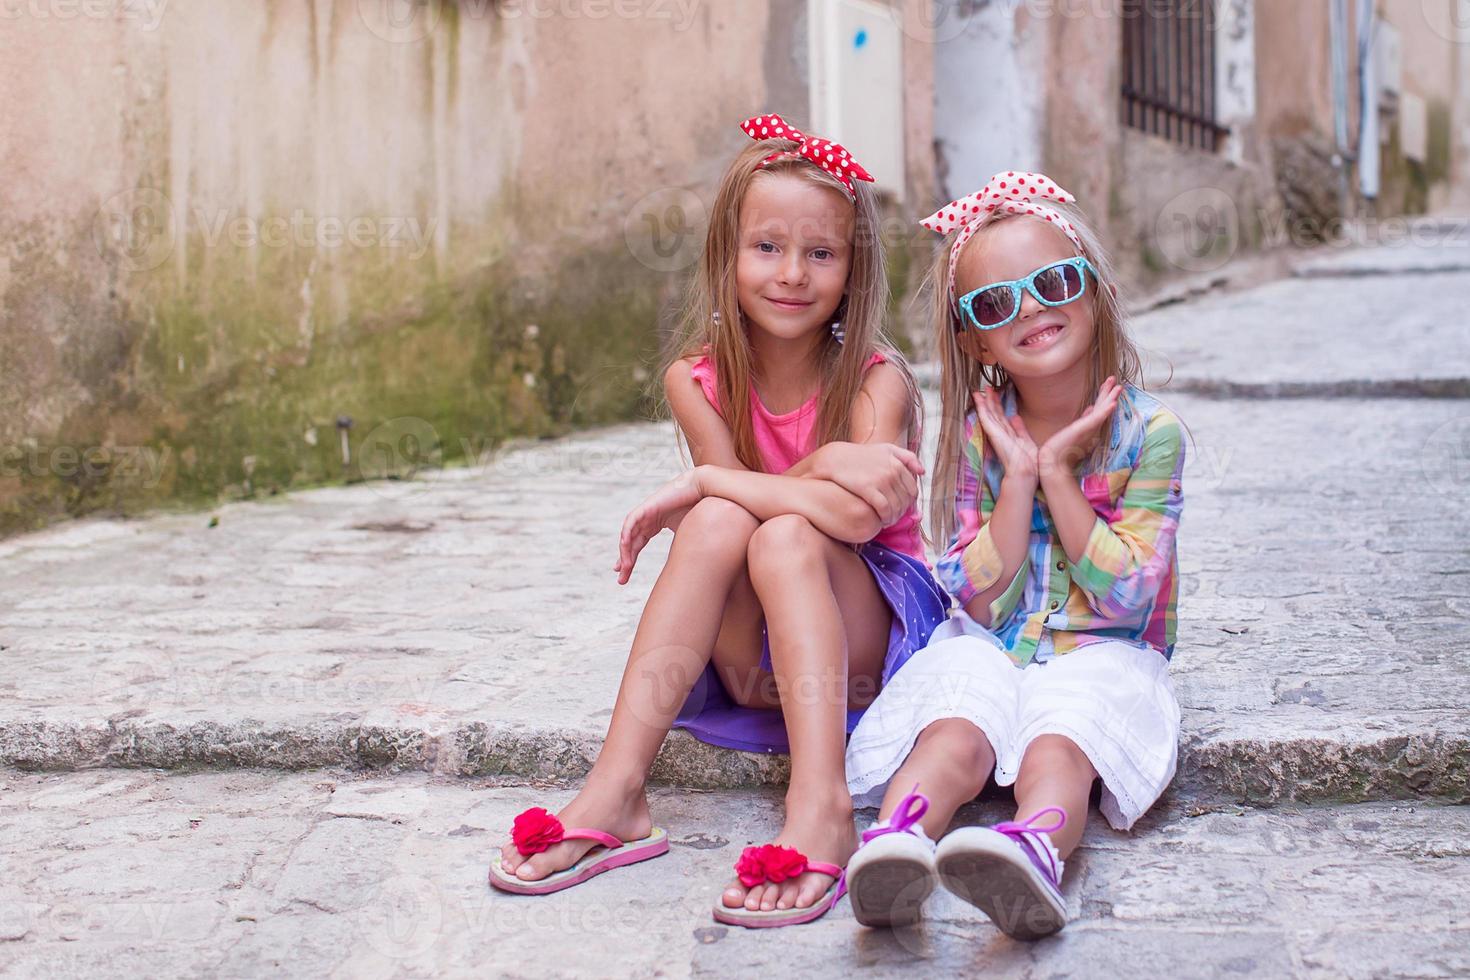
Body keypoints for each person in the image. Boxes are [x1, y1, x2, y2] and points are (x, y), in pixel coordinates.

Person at [490, 114, 948, 930]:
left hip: (870, 665)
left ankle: (823, 804)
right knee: (717, 524)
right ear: (726, 258)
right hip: (757, 673)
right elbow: (747, 501)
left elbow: (856, 514)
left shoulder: (880, 384)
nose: (792, 274)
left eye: (821, 253)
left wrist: (714, 479)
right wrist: (769, 477)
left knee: (776, 528)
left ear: (853, 270)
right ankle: (619, 788)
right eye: (767, 247)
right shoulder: (694, 381)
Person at [841, 172, 1186, 939]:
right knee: (954, 724)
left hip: (1106, 650)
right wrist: (1018, 477)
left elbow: (1125, 600)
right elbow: (983, 599)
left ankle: (1033, 851)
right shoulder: (979, 433)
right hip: (996, 641)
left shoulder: (1151, 435)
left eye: (1054, 282)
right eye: (996, 303)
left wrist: (1057, 472)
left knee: (1062, 737)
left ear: (1094, 293)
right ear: (974, 338)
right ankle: (898, 840)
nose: (1031, 308)